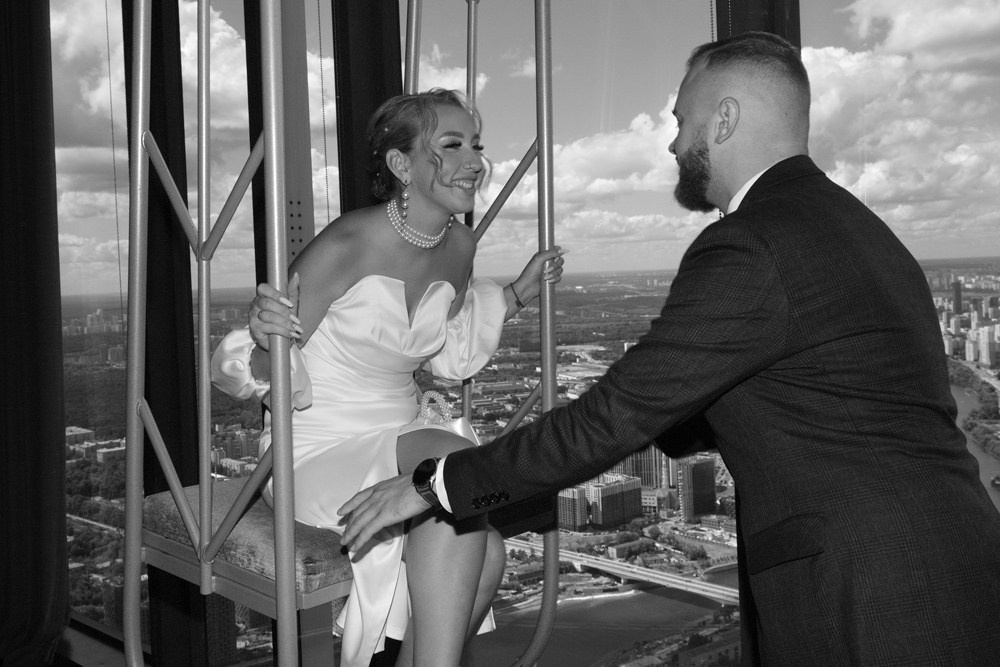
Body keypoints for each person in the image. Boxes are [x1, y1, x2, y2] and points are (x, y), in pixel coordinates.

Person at [337, 33, 1000, 665]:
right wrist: (651, 408)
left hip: (870, 590)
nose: (673, 141)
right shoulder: (857, 228)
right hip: (944, 558)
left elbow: (616, 416)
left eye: (682, 120)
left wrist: (437, 485)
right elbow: (801, 394)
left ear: (724, 119)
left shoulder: (753, 242)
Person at [210, 88, 565, 667]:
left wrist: (516, 295)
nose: (474, 162)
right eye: (452, 145)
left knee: (490, 553)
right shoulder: (346, 244)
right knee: (456, 467)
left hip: (402, 439)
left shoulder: (460, 245)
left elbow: (447, 351)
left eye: (476, 145)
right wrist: (264, 336)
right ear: (402, 164)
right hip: (314, 445)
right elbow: (264, 372)